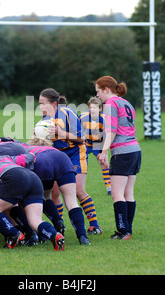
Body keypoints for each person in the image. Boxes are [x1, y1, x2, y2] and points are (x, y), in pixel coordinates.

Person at [38, 88, 103, 235]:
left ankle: (94, 225)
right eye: (39, 104)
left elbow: (81, 138)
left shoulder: (68, 113)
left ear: (54, 103)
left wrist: (61, 133)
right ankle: (59, 225)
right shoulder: (44, 119)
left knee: (78, 190)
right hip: (57, 156)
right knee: (54, 193)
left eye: (43, 104)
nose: (40, 107)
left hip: (75, 153)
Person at [94, 76, 142, 240]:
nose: (98, 96)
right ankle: (127, 230)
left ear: (106, 90)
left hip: (122, 153)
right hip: (135, 151)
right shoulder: (126, 102)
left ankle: (123, 230)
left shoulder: (111, 103)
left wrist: (104, 151)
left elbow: (111, 131)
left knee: (117, 194)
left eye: (98, 92)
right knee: (129, 192)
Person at [79, 96, 112, 194]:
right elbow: (77, 131)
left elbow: (107, 136)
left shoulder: (104, 119)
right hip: (85, 143)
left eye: (94, 107)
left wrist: (103, 152)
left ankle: (109, 187)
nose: (92, 109)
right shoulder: (82, 117)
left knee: (104, 164)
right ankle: (79, 188)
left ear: (100, 109)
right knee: (81, 166)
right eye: (90, 107)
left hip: (98, 144)